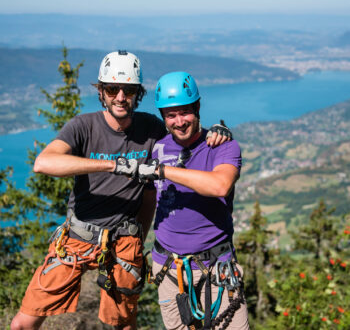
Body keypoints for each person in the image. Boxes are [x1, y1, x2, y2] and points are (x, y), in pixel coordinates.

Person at [11, 52, 231, 330]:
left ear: (138, 94)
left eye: (128, 90)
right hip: (77, 237)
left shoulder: (150, 127)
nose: (120, 97)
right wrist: (111, 166)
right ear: (101, 92)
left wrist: (217, 131)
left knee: (123, 325)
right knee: (24, 322)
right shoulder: (83, 126)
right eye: (112, 89)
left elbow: (183, 129)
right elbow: (44, 163)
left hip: (124, 241)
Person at [137, 71, 249, 329]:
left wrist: (162, 170)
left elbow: (220, 186)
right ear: (163, 117)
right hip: (169, 270)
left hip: (216, 267)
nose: (179, 121)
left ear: (197, 107)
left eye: (185, 112)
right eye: (171, 115)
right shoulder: (157, 148)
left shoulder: (223, 147)